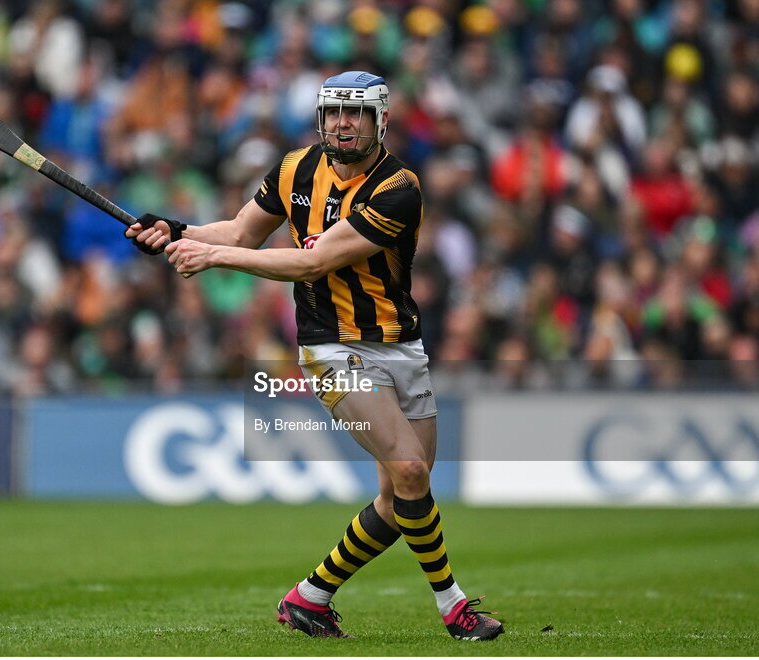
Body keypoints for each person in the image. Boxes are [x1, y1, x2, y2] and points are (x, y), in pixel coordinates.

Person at [125, 71, 504, 642]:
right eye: (333, 113)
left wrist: (209, 257)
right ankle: (455, 609)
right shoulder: (295, 169)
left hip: (400, 345)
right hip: (330, 349)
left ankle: (309, 597)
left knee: (403, 493)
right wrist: (175, 228)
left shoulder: (399, 187)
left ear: (381, 122)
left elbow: (311, 262)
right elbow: (240, 232)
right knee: (408, 470)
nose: (342, 124)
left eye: (356, 115)